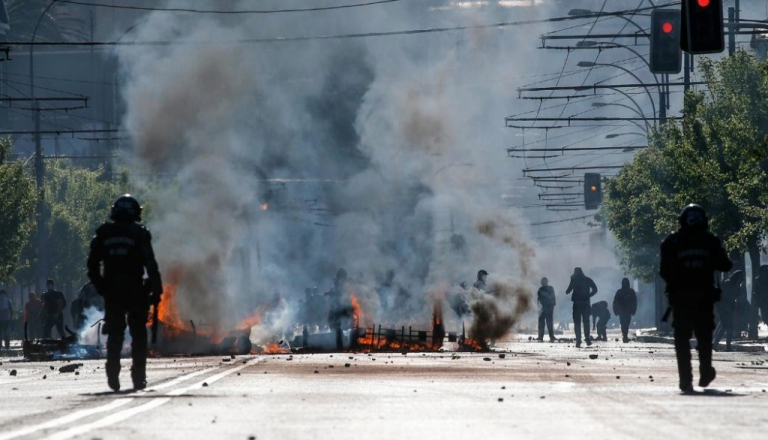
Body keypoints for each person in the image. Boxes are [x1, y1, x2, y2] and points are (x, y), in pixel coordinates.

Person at [87, 194, 163, 392]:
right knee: (138, 335)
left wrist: (102, 287)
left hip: (113, 292)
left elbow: (92, 266)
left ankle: (112, 372)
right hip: (136, 291)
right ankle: (138, 377)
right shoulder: (140, 234)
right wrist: (157, 290)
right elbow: (151, 264)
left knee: (115, 334)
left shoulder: (104, 233)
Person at [660, 204, 732, 394]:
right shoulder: (710, 241)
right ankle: (705, 372)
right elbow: (725, 265)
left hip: (681, 299)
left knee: (682, 339)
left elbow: (664, 271)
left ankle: (685, 379)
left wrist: (677, 283)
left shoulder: (672, 242)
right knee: (704, 336)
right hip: (703, 298)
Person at [566, 267, 598, 348]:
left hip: (578, 304)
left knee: (578, 323)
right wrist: (589, 295)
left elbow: (568, 290)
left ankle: (579, 340)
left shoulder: (575, 280)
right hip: (585, 304)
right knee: (586, 322)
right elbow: (595, 290)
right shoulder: (587, 279)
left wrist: (572, 281)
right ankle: (586, 338)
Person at [713, 270, 744, 352]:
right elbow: (724, 296)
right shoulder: (728, 283)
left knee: (724, 325)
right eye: (739, 277)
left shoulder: (736, 285)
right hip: (722, 307)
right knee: (728, 326)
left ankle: (716, 343)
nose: (740, 280)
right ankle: (726, 346)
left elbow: (738, 296)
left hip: (729, 307)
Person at [326, 268, 350, 351]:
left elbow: (342, 294)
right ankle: (340, 345)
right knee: (336, 327)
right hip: (337, 309)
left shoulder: (345, 286)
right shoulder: (337, 286)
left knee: (339, 328)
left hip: (342, 308)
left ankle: (341, 345)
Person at [613, 278, 638, 343]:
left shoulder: (631, 291)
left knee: (627, 323)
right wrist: (615, 310)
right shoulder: (619, 292)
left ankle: (625, 335)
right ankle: (625, 336)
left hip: (628, 310)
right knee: (623, 324)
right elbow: (615, 302)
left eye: (625, 282)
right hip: (622, 311)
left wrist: (634, 310)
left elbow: (634, 301)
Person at [536, 277, 557, 342]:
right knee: (545, 322)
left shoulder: (544, 289)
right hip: (545, 307)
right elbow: (539, 299)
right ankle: (543, 336)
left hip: (547, 307)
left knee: (547, 322)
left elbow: (552, 298)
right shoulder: (544, 289)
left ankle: (547, 336)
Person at [754, 265, 768, 335]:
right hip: (763, 302)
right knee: (765, 317)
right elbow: (756, 291)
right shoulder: (758, 280)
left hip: (764, 301)